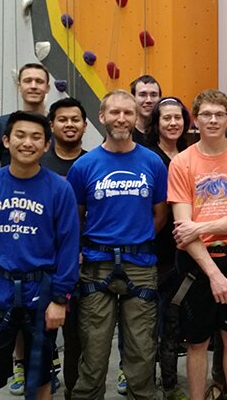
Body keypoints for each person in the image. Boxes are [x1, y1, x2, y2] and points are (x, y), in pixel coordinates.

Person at [0, 111, 79, 400]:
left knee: (40, 380)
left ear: (46, 145)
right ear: (6, 140)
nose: (27, 143)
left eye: (36, 137)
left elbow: (68, 247)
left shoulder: (60, 189)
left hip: (41, 295)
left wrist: (59, 299)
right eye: (20, 135)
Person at [67, 90, 168, 400]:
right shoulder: (85, 166)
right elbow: (76, 217)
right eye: (115, 112)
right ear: (102, 117)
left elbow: (160, 214)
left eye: (128, 112)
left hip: (140, 266)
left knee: (142, 350)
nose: (122, 118)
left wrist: (134, 240)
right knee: (94, 352)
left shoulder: (152, 162)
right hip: (97, 266)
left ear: (136, 117)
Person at [167, 89, 227, 400]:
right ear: (195, 120)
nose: (212, 120)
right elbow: (184, 231)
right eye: (206, 114)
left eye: (219, 114)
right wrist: (213, 274)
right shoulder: (182, 163)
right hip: (198, 264)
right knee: (196, 342)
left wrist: (202, 226)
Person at [39, 97, 88, 400]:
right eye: (62, 119)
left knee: (76, 338)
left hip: (82, 263)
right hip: (40, 263)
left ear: (85, 124)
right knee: (40, 337)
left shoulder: (93, 162)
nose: (69, 125)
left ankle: (72, 390)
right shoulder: (37, 163)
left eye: (75, 119)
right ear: (51, 125)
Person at [144, 97, 191, 400]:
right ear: (156, 124)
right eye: (166, 118)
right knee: (148, 325)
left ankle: (171, 385)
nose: (173, 123)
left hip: (187, 251)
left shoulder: (191, 156)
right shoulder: (147, 157)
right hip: (153, 252)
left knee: (175, 323)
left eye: (178, 118)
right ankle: (144, 383)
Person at [0, 63, 51, 167]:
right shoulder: (1, 124)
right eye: (28, 81)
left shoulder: (57, 127)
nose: (33, 86)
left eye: (39, 82)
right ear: (19, 87)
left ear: (47, 88)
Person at [130, 74, 162, 145]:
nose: (149, 100)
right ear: (133, 99)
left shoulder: (167, 133)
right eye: (142, 95)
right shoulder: (125, 133)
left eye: (153, 95)